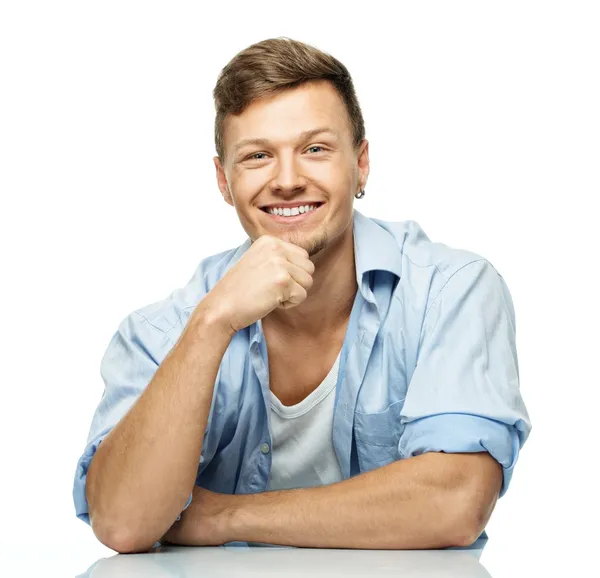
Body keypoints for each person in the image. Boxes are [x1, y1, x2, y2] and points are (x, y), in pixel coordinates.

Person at [73, 36, 531, 554]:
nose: (287, 180)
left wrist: (223, 515)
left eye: (315, 149)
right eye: (257, 156)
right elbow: (122, 524)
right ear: (224, 181)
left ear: (361, 164)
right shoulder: (165, 329)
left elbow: (454, 504)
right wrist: (213, 323)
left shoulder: (451, 291)